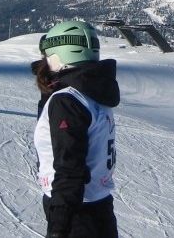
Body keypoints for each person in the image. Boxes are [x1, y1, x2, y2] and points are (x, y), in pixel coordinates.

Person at [33, 21, 119, 238]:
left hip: (76, 213)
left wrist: (58, 228)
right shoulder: (93, 91)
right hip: (99, 206)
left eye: (47, 56)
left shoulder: (68, 101)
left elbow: (69, 169)